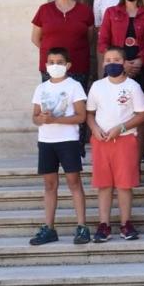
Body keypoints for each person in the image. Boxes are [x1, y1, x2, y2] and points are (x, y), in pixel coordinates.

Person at [86, 46, 144, 242]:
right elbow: (89, 114)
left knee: (124, 185)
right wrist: (94, 129)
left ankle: (125, 223)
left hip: (125, 140)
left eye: (116, 60)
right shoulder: (97, 86)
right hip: (101, 141)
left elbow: (142, 114)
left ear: (124, 63)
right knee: (104, 185)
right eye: (108, 60)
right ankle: (103, 225)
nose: (111, 63)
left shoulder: (132, 87)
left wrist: (121, 128)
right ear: (103, 63)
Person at [28, 47, 90, 246]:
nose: (55, 65)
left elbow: (81, 116)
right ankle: (49, 227)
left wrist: (57, 119)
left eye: (59, 62)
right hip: (46, 141)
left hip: (67, 141)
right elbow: (35, 117)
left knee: (74, 182)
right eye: (51, 62)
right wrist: (43, 119)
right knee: (49, 185)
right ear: (46, 65)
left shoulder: (74, 86)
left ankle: (82, 226)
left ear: (68, 65)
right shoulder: (41, 88)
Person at [97, 0, 144, 162]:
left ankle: (140, 154)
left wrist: (140, 60)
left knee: (141, 112)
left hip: (143, 68)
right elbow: (103, 42)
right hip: (117, 71)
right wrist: (121, 63)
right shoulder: (111, 12)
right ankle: (119, 152)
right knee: (119, 109)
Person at [32, 0, 94, 86]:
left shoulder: (85, 10)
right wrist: (51, 51)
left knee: (77, 102)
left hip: (78, 65)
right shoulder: (44, 9)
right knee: (51, 102)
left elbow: (89, 38)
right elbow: (35, 38)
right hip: (51, 67)